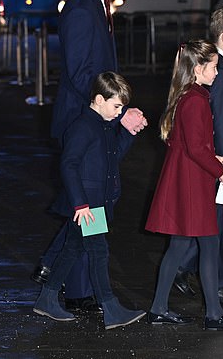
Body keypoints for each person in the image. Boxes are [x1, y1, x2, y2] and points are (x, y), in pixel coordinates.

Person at [30, 0, 147, 314]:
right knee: (90, 206)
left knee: (92, 206)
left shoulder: (94, 1)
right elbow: (82, 74)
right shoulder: (82, 7)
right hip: (85, 119)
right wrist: (116, 107)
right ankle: (74, 290)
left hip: (96, 116)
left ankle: (60, 278)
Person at [145, 40, 223, 331]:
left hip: (187, 178)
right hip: (193, 183)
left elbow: (190, 144)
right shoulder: (195, 99)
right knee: (205, 244)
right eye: (214, 68)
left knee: (181, 246)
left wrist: (212, 158)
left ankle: (161, 308)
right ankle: (212, 315)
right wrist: (222, 170)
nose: (217, 73)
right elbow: (195, 148)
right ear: (198, 68)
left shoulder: (188, 95)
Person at [33, 72, 146, 330]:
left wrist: (128, 132)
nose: (120, 112)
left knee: (72, 248)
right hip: (88, 206)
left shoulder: (103, 124)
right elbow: (69, 165)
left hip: (95, 203)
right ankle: (111, 308)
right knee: (98, 251)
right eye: (116, 106)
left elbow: (113, 155)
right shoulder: (83, 126)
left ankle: (48, 298)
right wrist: (80, 205)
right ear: (98, 99)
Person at [174, 7, 223, 308]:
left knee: (217, 220)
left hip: (218, 157)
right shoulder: (220, 70)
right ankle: (218, 286)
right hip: (220, 160)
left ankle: (185, 268)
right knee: (219, 222)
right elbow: (220, 117)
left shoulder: (221, 66)